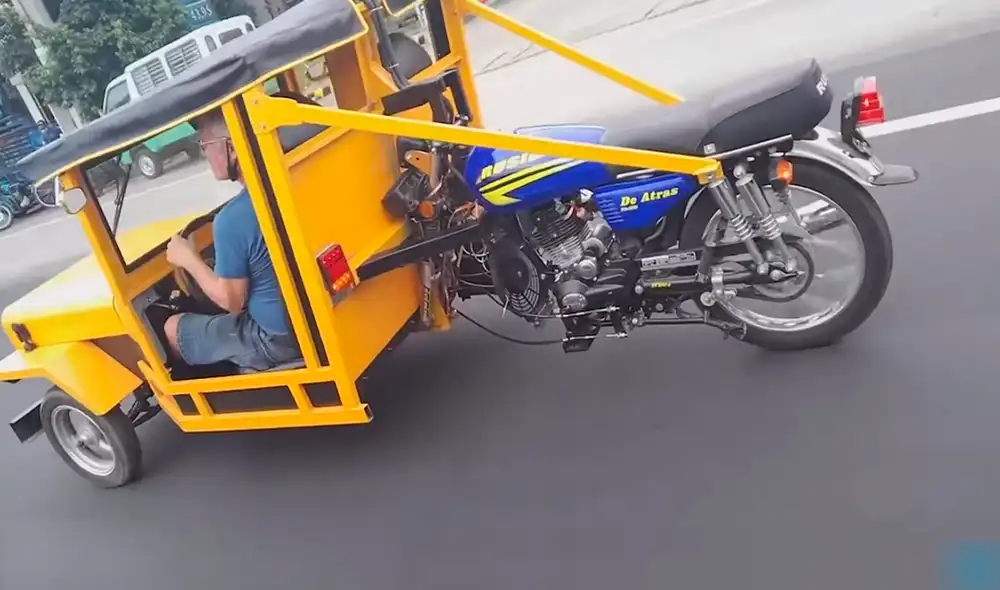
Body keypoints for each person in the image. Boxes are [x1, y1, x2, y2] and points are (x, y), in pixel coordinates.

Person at [163, 110, 300, 371]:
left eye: (206, 144)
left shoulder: (232, 220)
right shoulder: (296, 180)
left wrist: (189, 260)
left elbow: (231, 302)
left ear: (232, 148)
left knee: (172, 328)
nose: (205, 153)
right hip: (318, 317)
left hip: (278, 340)